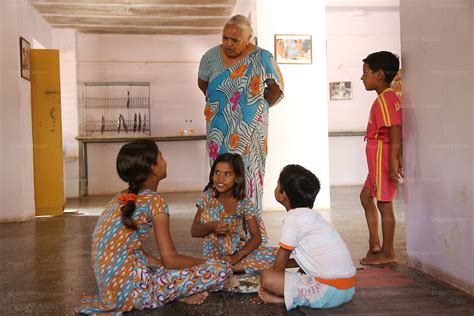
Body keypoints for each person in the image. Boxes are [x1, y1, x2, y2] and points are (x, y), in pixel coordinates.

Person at [79, 140, 231, 314]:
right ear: (153, 168)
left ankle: (173, 291)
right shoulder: (155, 201)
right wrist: (210, 263)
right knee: (221, 270)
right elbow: (171, 259)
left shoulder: (121, 197)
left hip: (111, 290)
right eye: (161, 156)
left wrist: (166, 271)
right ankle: (169, 292)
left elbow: (138, 254)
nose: (165, 161)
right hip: (133, 291)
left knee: (156, 267)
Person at [197, 14, 284, 243]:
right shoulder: (210, 57)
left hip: (251, 131)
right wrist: (224, 105)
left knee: (250, 178)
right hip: (219, 128)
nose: (228, 43)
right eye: (225, 37)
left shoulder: (262, 57)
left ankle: (252, 236)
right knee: (222, 177)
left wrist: (256, 107)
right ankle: (224, 232)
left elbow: (276, 88)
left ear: (249, 39)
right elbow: (204, 84)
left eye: (235, 40)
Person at [257, 165, 356, 311]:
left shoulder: (293, 218)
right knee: (289, 273)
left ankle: (283, 298)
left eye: (278, 184)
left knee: (266, 277)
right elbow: (305, 259)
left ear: (283, 194)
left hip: (327, 292)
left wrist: (271, 282)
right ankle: (290, 295)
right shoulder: (314, 217)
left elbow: (283, 256)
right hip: (347, 289)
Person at [191, 153, 277, 273]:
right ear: (212, 175)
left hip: (236, 252)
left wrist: (236, 256)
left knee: (275, 254)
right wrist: (211, 226)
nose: (220, 178)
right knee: (209, 214)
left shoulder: (243, 202)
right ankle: (224, 266)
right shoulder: (207, 197)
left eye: (227, 174)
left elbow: (257, 237)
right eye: (217, 172)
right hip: (213, 256)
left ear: (237, 178)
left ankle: (228, 267)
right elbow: (194, 230)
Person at [359, 51, 402, 265]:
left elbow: (395, 128)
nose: (362, 77)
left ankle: (388, 252)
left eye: (365, 73)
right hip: (377, 158)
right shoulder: (385, 98)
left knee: (384, 204)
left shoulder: (386, 98)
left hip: (382, 156)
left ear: (380, 74)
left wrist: (394, 158)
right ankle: (374, 243)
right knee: (366, 197)